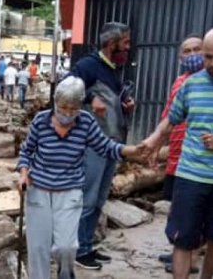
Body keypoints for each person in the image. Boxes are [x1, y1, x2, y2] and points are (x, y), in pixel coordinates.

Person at [17, 76, 144, 279]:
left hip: (70, 192)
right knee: (38, 248)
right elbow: (26, 151)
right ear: (55, 102)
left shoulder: (85, 122)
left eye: (73, 109)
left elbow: (105, 146)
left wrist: (133, 150)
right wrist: (23, 174)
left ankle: (65, 271)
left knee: (66, 247)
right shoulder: (41, 120)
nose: (67, 114)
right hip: (39, 191)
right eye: (63, 108)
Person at [143, 27, 213, 279]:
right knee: (182, 239)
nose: (212, 63)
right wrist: (153, 140)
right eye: (208, 57)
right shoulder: (191, 84)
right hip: (190, 176)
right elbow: (170, 119)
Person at [69, 22, 134, 270]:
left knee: (99, 199)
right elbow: (65, 89)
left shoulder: (113, 68)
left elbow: (112, 100)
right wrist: (88, 97)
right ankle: (77, 249)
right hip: (93, 144)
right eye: (125, 43)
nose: (128, 48)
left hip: (111, 143)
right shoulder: (87, 65)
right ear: (111, 44)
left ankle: (86, 245)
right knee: (88, 197)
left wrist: (126, 104)